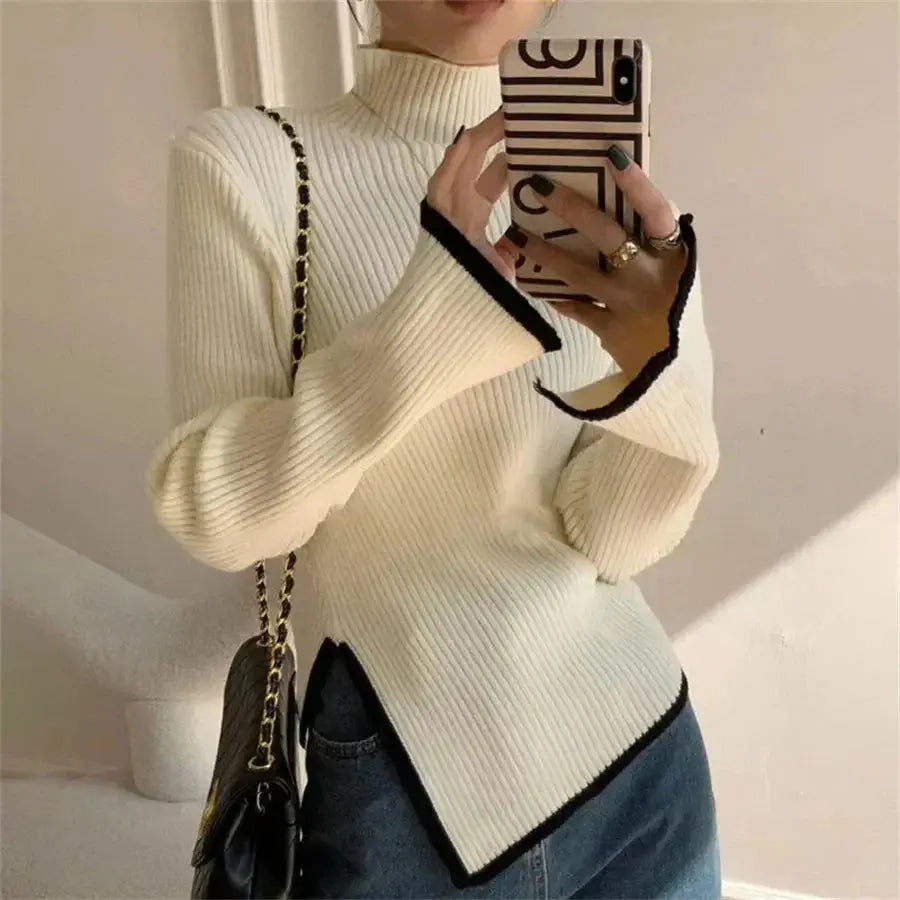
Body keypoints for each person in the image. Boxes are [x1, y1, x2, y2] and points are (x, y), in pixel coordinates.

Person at [146, 0, 722, 896]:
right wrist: (433, 321)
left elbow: (612, 538)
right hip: (401, 793)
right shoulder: (253, 162)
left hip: (640, 768)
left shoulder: (597, 198)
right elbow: (217, 513)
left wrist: (660, 365)